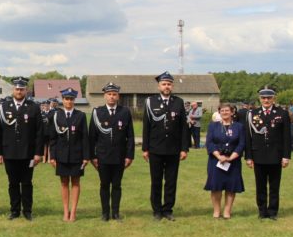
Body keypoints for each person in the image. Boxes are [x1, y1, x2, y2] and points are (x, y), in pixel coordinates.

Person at [0, 77, 44, 221]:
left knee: (27, 183)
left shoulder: (33, 107)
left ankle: (27, 211)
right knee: (13, 183)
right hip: (9, 152)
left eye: (22, 89)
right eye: (17, 89)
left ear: (26, 90)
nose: (19, 91)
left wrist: (38, 153)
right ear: (13, 90)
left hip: (28, 153)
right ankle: (14, 210)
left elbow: (39, 132)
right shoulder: (4, 107)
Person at [142, 71, 190, 221]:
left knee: (171, 181)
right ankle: (157, 210)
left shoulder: (178, 102)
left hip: (173, 149)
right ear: (159, 86)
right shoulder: (151, 102)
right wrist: (145, 148)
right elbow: (146, 127)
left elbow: (183, 127)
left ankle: (168, 209)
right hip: (155, 148)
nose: (167, 86)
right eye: (164, 84)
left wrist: (184, 148)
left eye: (169, 84)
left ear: (172, 86)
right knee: (156, 181)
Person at [89, 83, 134, 222]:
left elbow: (130, 136)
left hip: (119, 156)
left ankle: (115, 213)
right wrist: (93, 156)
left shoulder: (125, 112)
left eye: (114, 94)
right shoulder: (97, 112)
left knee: (116, 185)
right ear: (104, 96)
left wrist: (129, 155)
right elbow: (92, 137)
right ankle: (105, 213)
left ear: (118, 96)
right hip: (102, 157)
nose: (112, 97)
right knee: (104, 185)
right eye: (109, 94)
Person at [245, 86, 291, 220]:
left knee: (274, 186)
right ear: (260, 99)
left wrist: (286, 156)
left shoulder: (281, 113)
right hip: (258, 155)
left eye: (269, 98)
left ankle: (272, 212)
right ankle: (262, 211)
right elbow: (248, 137)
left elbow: (286, 137)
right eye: (263, 98)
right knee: (260, 186)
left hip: (276, 155)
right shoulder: (252, 113)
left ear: (273, 99)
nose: (266, 100)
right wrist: (248, 156)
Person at [48, 87, 89, 222]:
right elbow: (52, 138)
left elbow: (85, 138)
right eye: (66, 99)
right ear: (62, 100)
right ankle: (66, 211)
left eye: (71, 99)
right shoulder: (56, 116)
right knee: (64, 183)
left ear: (74, 100)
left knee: (76, 182)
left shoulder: (80, 116)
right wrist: (52, 156)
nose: (69, 101)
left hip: (77, 155)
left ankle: (74, 212)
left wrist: (86, 156)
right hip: (61, 156)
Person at [204, 103, 245, 219]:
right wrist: (218, 156)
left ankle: (227, 211)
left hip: (233, 161)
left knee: (231, 186)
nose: (225, 112)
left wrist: (231, 157)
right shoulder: (213, 126)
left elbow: (241, 143)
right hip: (216, 161)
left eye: (227, 110)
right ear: (219, 112)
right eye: (222, 111)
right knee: (216, 186)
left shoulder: (239, 126)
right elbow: (209, 143)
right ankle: (216, 211)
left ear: (232, 112)